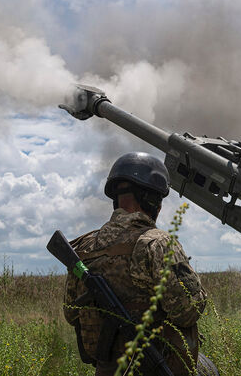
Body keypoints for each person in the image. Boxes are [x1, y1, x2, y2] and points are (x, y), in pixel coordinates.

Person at [63, 152, 208, 375]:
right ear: (152, 200)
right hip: (154, 367)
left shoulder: (85, 247)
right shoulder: (157, 243)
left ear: (115, 199)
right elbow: (187, 311)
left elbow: (71, 314)